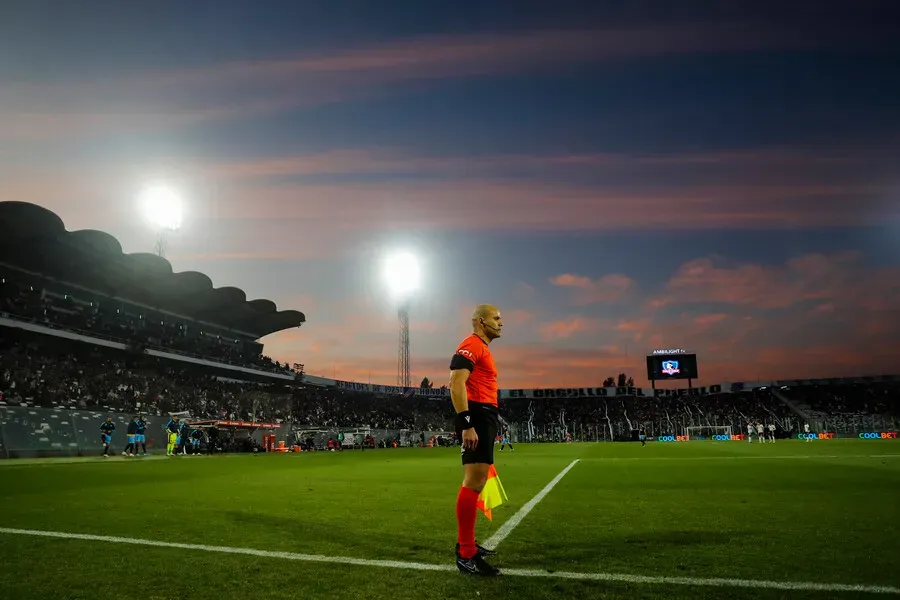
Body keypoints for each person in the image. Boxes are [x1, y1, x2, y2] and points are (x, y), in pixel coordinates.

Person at [450, 304, 503, 576]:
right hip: (477, 415)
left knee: (478, 480)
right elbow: (456, 382)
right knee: (473, 481)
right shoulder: (471, 344)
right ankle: (466, 554)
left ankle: (467, 544)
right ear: (481, 322)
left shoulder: (483, 348)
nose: (501, 322)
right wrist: (466, 423)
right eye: (496, 318)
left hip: (485, 414)